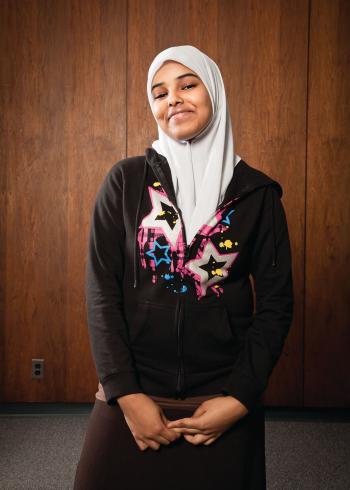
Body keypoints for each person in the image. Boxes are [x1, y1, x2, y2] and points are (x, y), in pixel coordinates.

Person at [73, 45, 294, 490]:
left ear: (214, 91)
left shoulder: (259, 195)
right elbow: (101, 291)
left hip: (221, 394)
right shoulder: (125, 180)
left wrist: (239, 398)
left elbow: (276, 305)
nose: (172, 99)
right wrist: (127, 394)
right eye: (159, 93)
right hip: (133, 387)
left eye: (187, 85)